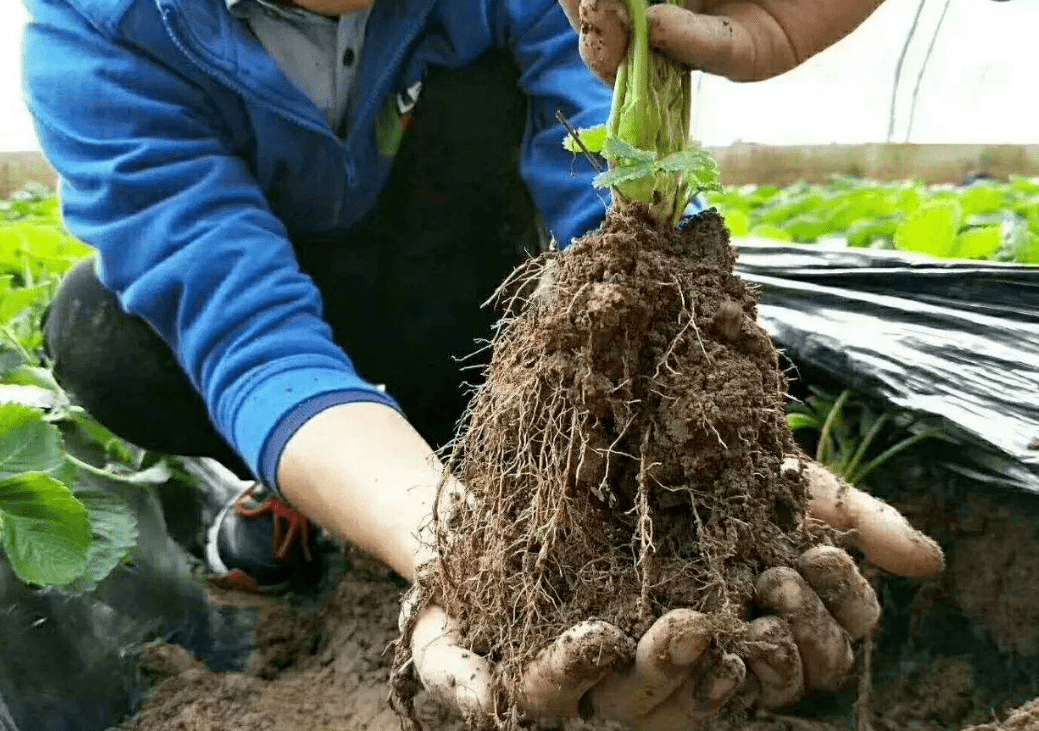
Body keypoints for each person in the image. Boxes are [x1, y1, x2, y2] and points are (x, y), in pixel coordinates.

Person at [23, 0, 941, 727]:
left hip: (457, 282)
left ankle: (498, 458)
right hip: (287, 277)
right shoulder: (100, 31)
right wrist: (456, 557)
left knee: (484, 110)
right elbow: (247, 331)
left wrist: (694, 412)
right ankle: (314, 489)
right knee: (101, 331)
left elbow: (610, 192)